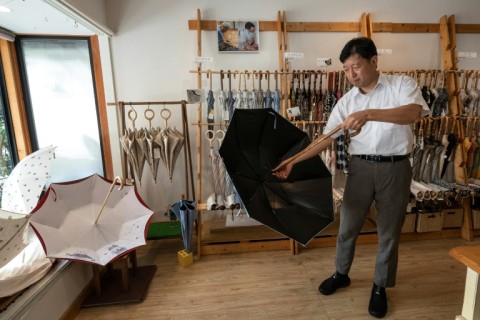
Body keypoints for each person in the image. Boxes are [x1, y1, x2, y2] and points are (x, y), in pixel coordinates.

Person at [272, 37, 429, 318]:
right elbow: (325, 138)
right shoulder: (348, 101)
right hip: (360, 169)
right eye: (346, 69)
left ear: (374, 61)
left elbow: (414, 113)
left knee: (389, 232)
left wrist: (369, 114)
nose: (351, 74)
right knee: (348, 225)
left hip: (396, 167)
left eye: (355, 66)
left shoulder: (402, 85)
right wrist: (293, 161)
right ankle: (341, 273)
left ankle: (380, 286)